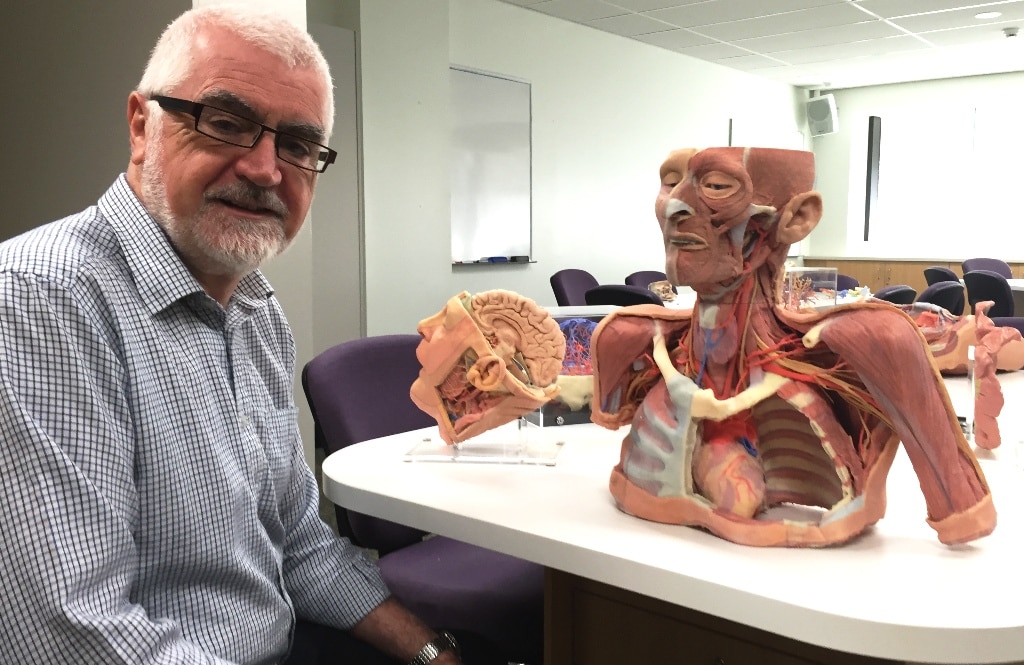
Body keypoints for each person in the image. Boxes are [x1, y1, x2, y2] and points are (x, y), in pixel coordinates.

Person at [0, 6, 499, 664]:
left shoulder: (257, 313)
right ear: (141, 126)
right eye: (227, 122)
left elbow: (299, 543)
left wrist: (436, 653)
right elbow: (73, 634)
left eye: (296, 145)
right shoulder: (42, 299)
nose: (266, 168)